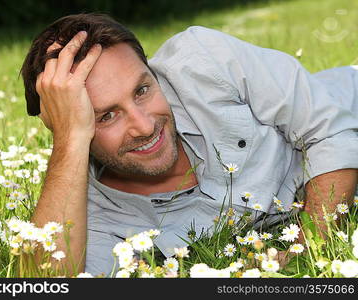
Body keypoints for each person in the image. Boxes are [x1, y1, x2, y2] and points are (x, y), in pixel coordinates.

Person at [21, 13, 358, 276]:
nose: (144, 125)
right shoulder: (90, 217)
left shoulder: (203, 59)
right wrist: (70, 141)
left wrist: (310, 245)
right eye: (106, 116)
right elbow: (46, 282)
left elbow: (331, 130)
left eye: (142, 90)